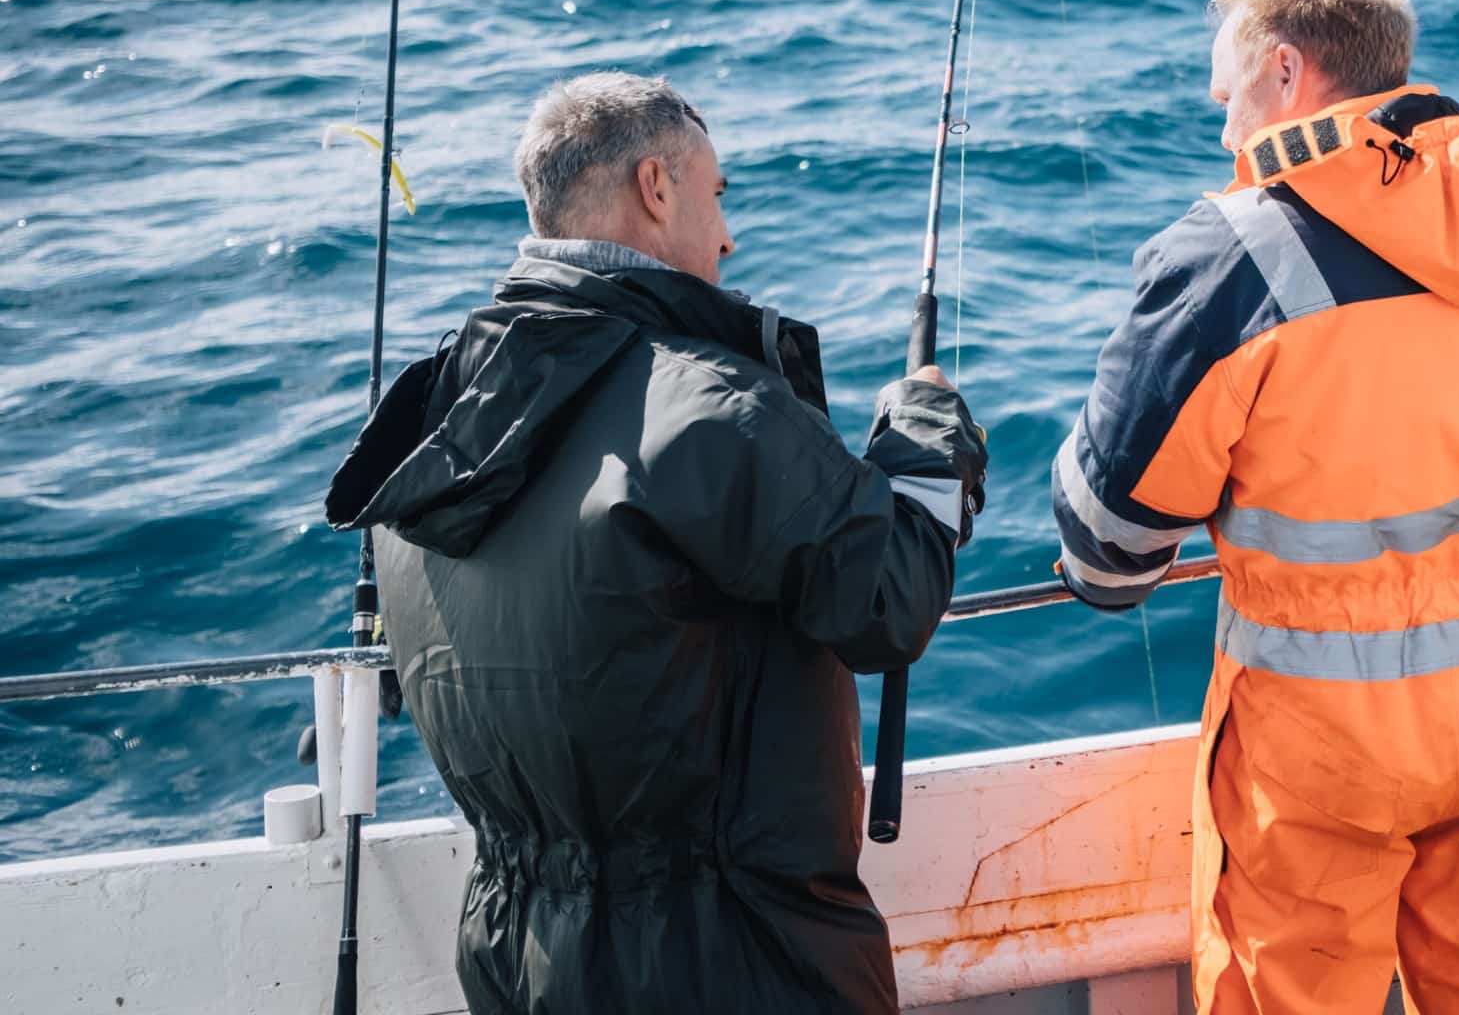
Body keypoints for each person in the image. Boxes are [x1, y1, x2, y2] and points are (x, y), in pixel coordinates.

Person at [1051, 0, 1459, 1014]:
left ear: (1286, 75)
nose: (1226, 131)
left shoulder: (1236, 248)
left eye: (1228, 99)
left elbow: (1108, 541)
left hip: (1322, 753)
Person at [323, 72, 987, 1015]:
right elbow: (893, 602)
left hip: (520, 963)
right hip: (739, 968)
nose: (727, 234)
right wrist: (925, 436)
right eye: (716, 196)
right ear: (655, 187)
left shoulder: (437, 427)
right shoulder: (715, 410)